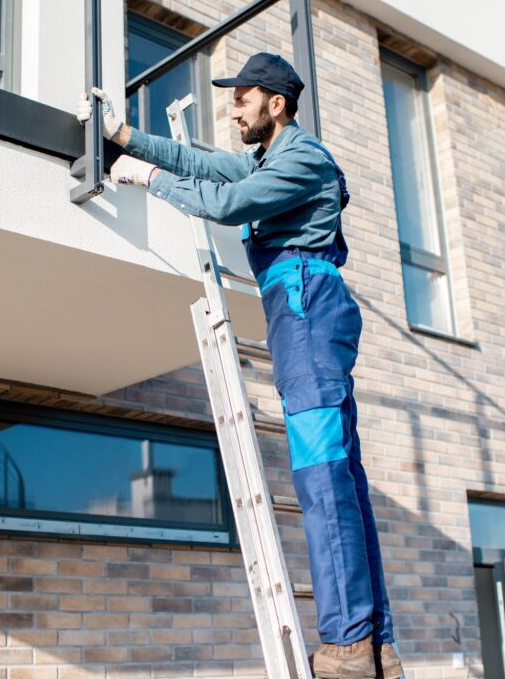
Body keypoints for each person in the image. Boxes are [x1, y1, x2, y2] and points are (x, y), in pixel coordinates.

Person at [77, 52, 403, 679]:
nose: (232, 109)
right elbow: (205, 164)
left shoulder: (303, 158)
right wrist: (124, 138)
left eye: (241, 99)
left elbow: (230, 204)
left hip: (306, 306)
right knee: (341, 479)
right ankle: (373, 643)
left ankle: (347, 644)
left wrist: (148, 180)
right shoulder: (271, 157)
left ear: (275, 104)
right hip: (303, 307)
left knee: (321, 475)